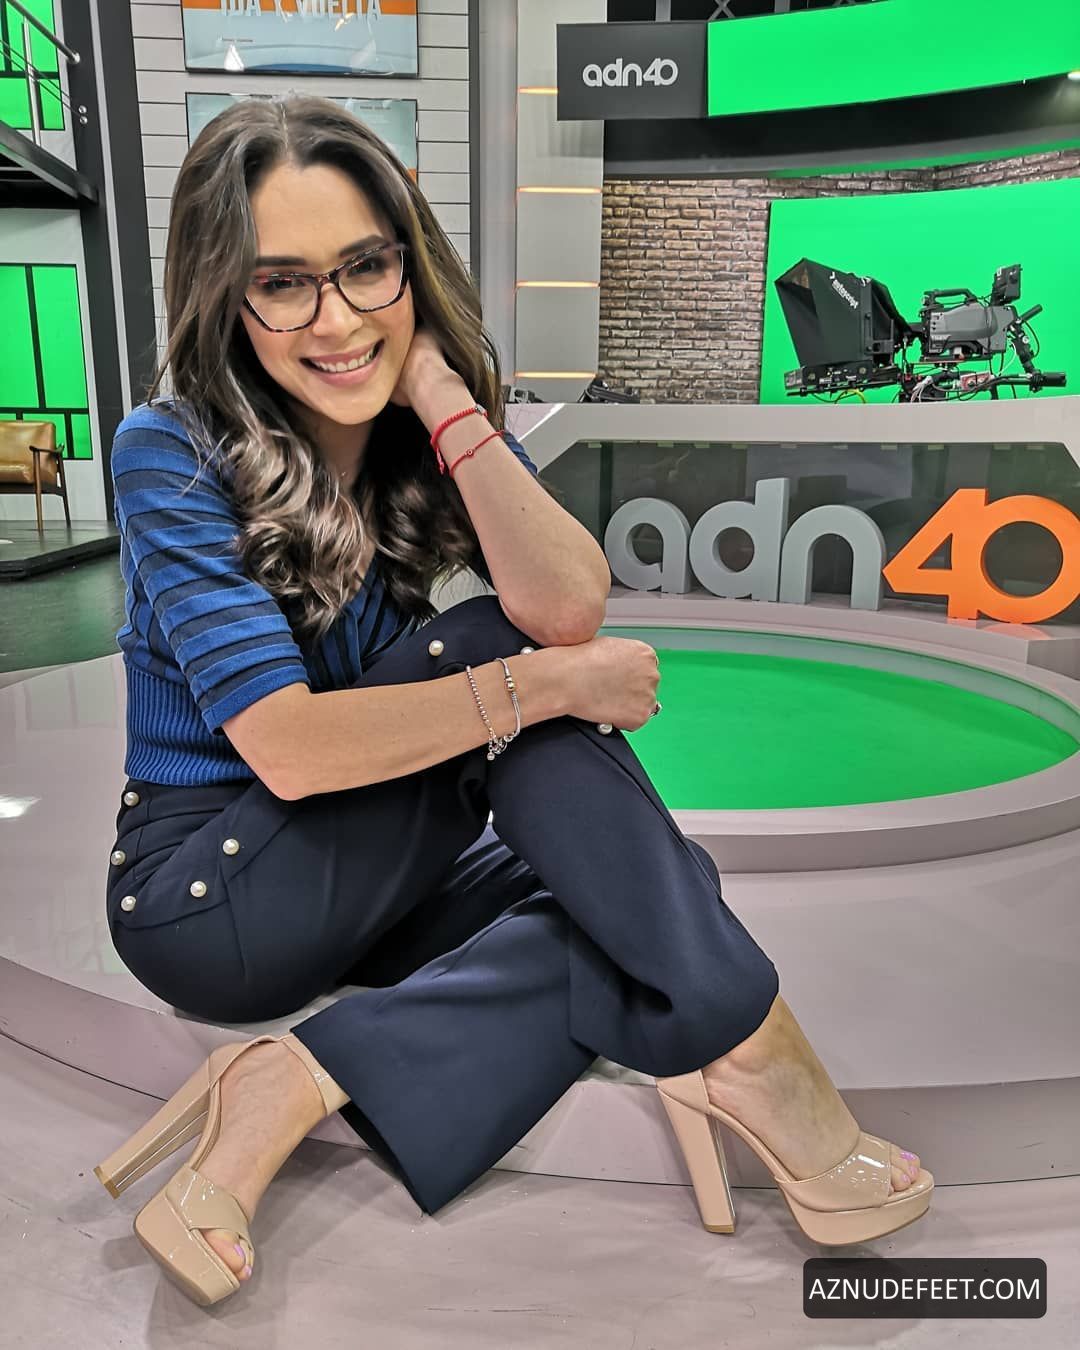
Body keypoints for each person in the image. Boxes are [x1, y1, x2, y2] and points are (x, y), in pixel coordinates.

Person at [93, 97, 932, 1308]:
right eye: (282, 284)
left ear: (410, 262)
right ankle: (757, 1052)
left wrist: (442, 394)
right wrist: (542, 685)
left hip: (362, 872)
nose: (338, 319)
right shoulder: (168, 447)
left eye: (366, 267)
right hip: (208, 896)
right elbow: (289, 748)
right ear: (226, 297)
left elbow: (569, 600)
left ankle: (295, 1080)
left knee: (642, 891)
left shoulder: (411, 430)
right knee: (502, 663)